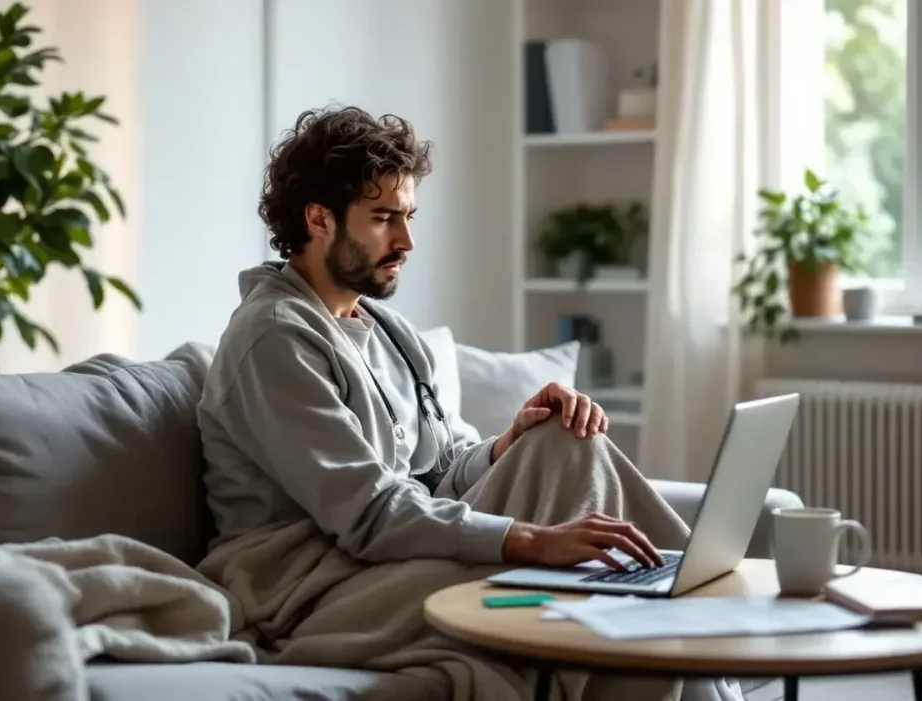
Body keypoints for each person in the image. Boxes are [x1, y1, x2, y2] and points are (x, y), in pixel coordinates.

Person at [196, 105, 742, 701]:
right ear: (319, 219)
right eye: (383, 219)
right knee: (576, 584)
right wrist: (535, 540)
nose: (406, 240)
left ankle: (691, 585)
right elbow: (369, 514)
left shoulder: (387, 331)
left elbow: (443, 470)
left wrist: (513, 441)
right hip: (308, 585)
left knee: (563, 440)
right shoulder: (273, 338)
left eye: (408, 216)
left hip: (381, 556)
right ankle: (705, 616)